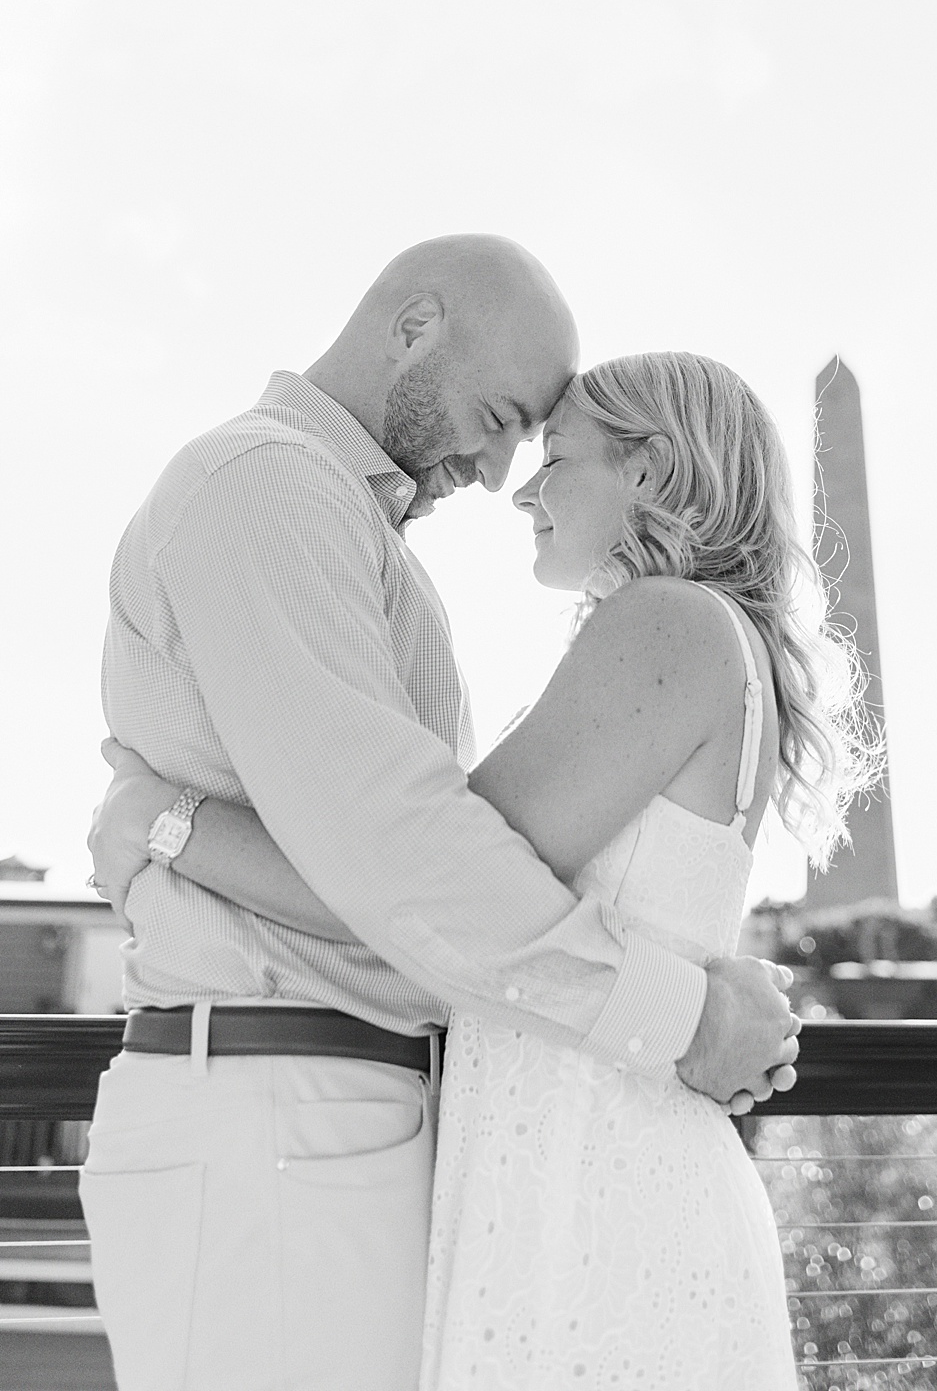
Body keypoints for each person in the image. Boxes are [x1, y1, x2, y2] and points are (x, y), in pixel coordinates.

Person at [84, 236, 802, 1391]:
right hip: (284, 1115)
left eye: (544, 439)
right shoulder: (268, 484)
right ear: (415, 329)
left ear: (654, 472)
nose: (510, 467)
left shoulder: (397, 548)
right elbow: (409, 868)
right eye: (508, 413)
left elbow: (424, 869)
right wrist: (683, 1015)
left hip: (377, 1127)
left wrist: (170, 824)